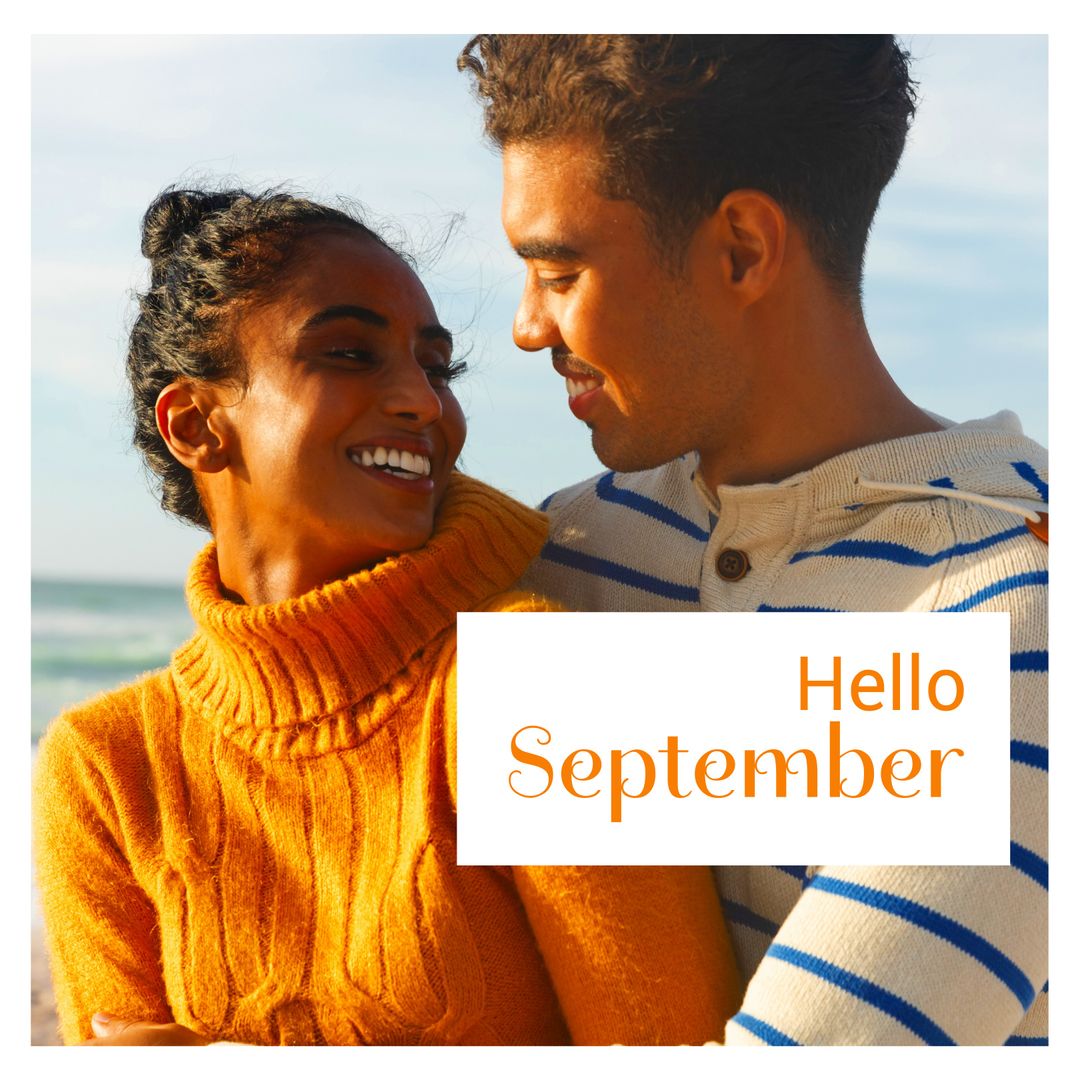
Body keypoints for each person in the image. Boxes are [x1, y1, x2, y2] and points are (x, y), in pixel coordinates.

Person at [31, 187, 741, 1046]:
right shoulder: (105, 772)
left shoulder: (539, 685)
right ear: (195, 424)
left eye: (437, 367)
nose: (422, 401)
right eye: (347, 353)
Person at [458, 34, 1049, 1046]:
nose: (525, 327)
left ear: (741, 249)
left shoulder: (1011, 611)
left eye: (558, 270)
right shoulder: (560, 553)